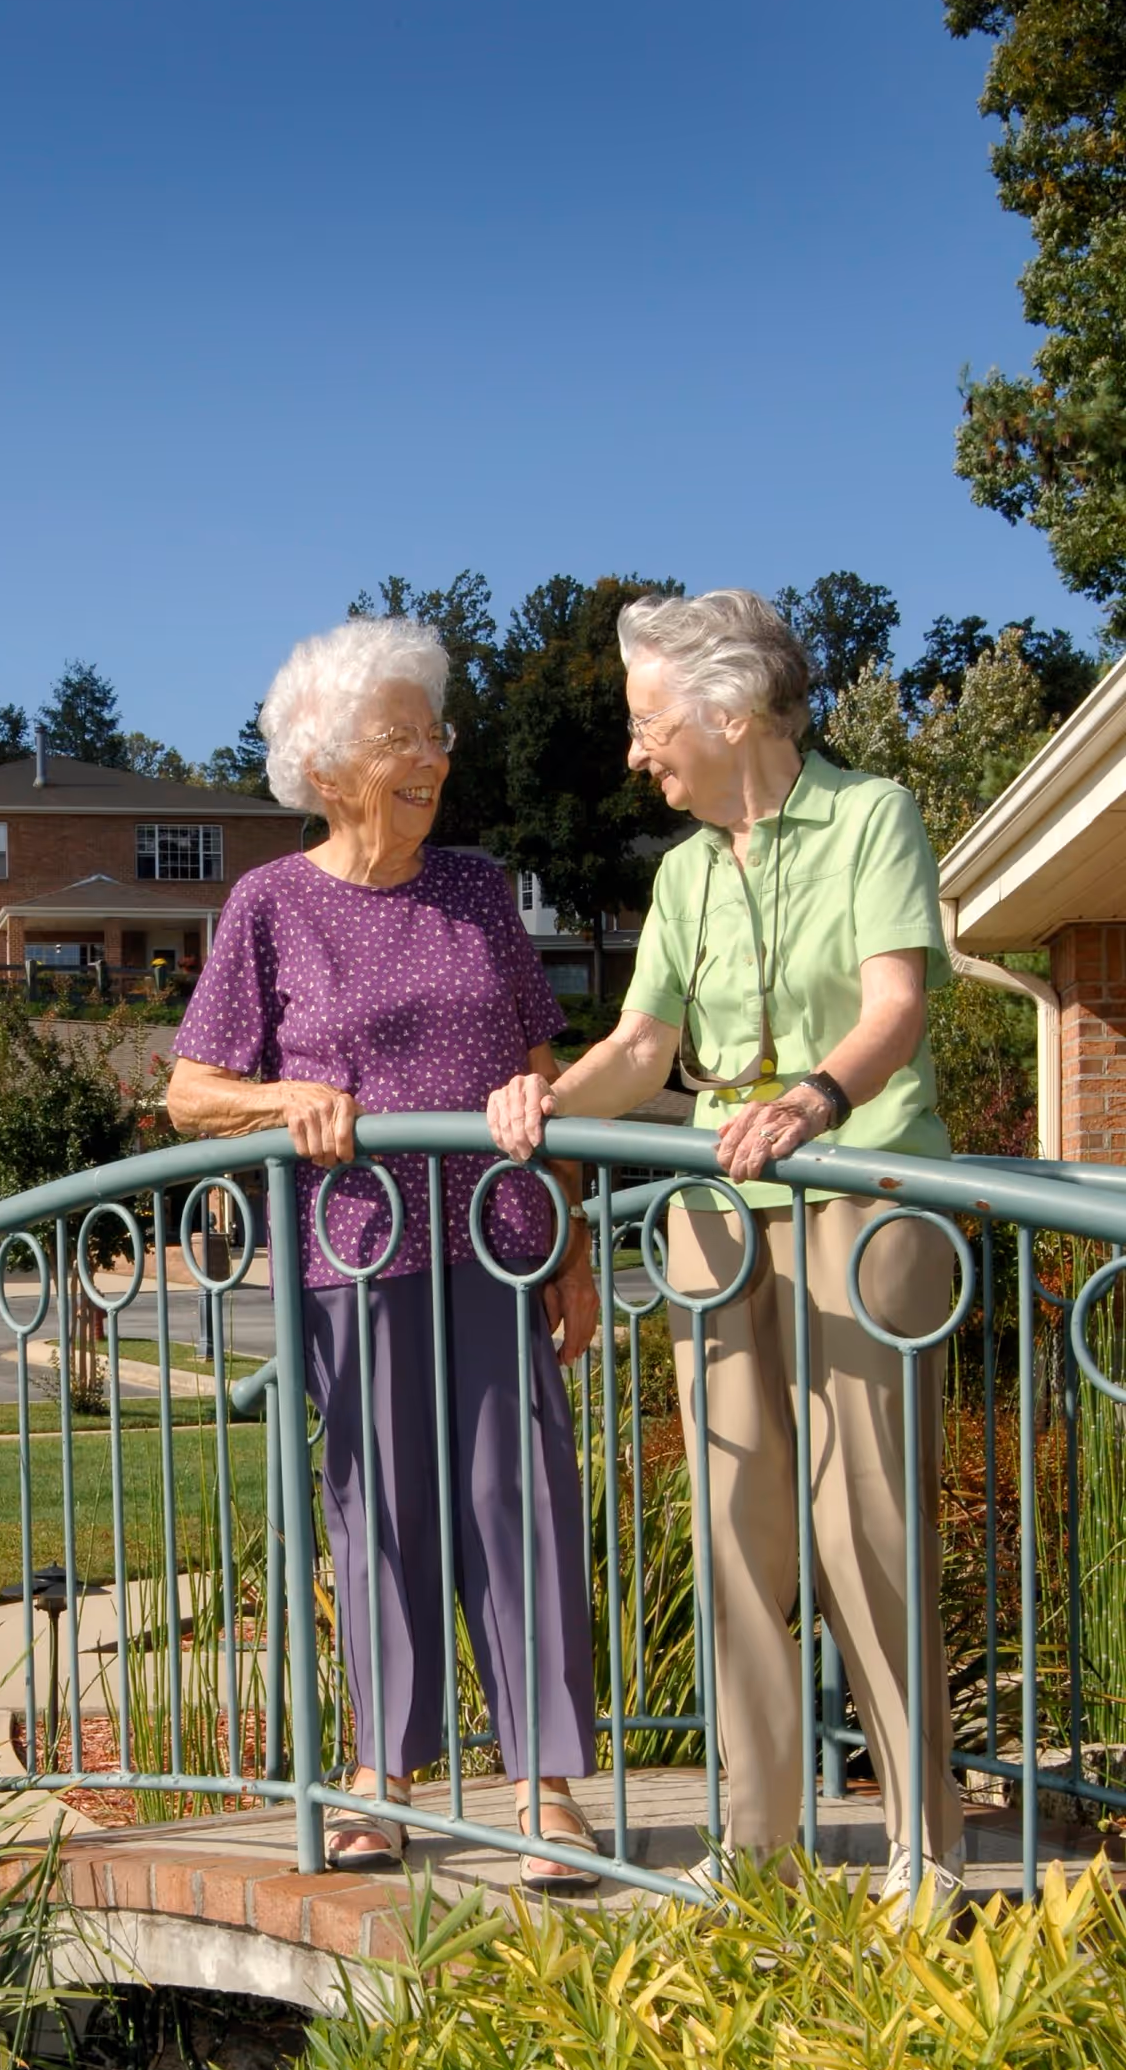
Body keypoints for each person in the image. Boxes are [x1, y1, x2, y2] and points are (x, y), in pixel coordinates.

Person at [486, 587, 963, 1902]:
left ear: (731, 709)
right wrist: (545, 1099)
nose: (638, 753)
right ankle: (761, 1854)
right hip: (713, 1216)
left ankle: (925, 1841)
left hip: (863, 1196)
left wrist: (813, 1098)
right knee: (738, 1531)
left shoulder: (873, 817)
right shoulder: (685, 872)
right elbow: (644, 1049)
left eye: (650, 723)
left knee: (862, 1521)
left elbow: (897, 1004)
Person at [166, 615, 601, 1881]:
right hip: (355, 1254)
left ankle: (544, 1786)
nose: (430, 757)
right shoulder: (270, 902)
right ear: (325, 760)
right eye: (397, 735)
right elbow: (191, 1089)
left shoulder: (477, 886)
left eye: (436, 733)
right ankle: (382, 1774)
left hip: (502, 1240)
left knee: (518, 1501)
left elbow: (536, 1058)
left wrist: (571, 1238)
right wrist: (278, 1101)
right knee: (382, 1514)